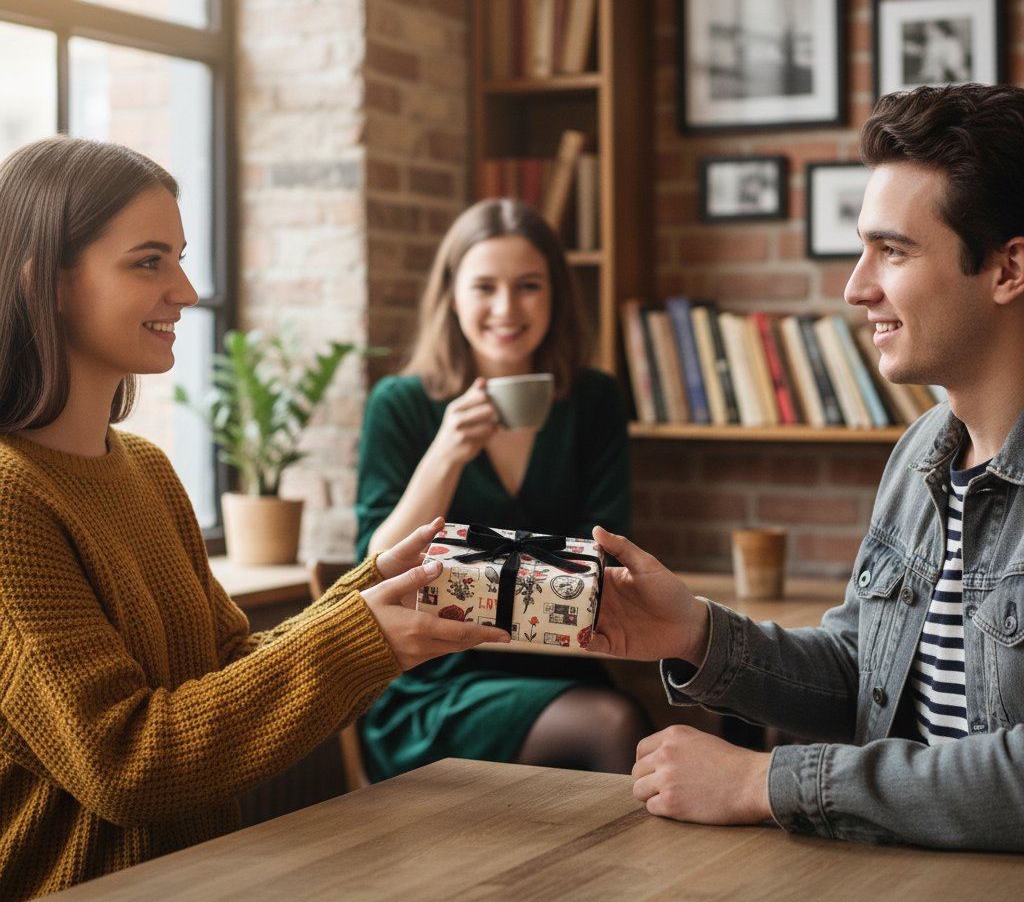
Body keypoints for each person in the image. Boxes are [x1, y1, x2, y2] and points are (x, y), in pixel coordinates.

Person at [0, 136, 511, 901]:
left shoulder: (145, 469)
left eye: (179, 256)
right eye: (149, 261)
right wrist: (359, 636)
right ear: (50, 282)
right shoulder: (11, 500)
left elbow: (228, 669)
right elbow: (125, 761)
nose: (186, 289)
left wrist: (371, 594)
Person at [586, 82, 1024, 852]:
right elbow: (865, 675)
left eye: (893, 250)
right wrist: (692, 630)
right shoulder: (923, 453)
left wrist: (763, 783)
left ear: (1007, 269)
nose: (856, 287)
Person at [355, 198, 649, 781]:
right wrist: (445, 455)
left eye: (529, 286)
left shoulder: (594, 399)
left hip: (563, 664)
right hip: (437, 674)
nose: (506, 308)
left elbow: (608, 555)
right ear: (453, 295)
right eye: (484, 286)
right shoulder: (402, 404)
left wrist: (471, 572)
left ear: (556, 295)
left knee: (680, 721)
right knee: (615, 726)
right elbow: (379, 571)